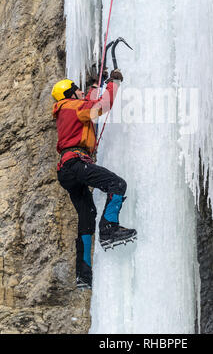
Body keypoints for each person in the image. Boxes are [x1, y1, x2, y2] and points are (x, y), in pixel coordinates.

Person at [51, 70, 136, 289]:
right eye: (77, 89)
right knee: (117, 184)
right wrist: (114, 83)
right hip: (76, 162)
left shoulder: (67, 109)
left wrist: (95, 86)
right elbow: (100, 107)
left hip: (67, 170)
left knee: (86, 215)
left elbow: (90, 103)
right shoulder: (73, 107)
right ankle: (109, 229)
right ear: (70, 93)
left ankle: (83, 274)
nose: (81, 92)